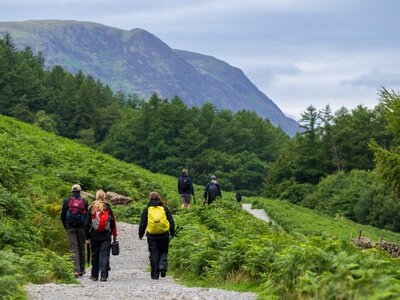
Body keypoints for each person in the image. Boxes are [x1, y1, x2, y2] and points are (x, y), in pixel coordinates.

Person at [139, 192, 175, 280]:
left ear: (150, 199)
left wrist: (140, 234)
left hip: (152, 235)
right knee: (164, 251)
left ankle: (154, 275)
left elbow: (143, 223)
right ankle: (162, 265)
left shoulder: (147, 209)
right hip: (164, 234)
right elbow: (171, 221)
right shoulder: (164, 208)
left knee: (153, 253)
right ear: (159, 198)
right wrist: (172, 232)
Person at [85, 189, 118, 282]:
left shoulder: (91, 208)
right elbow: (112, 223)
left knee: (95, 255)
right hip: (106, 235)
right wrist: (113, 234)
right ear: (104, 197)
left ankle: (94, 275)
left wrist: (87, 237)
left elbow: (86, 224)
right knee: (105, 255)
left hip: (94, 235)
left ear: (96, 196)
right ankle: (104, 276)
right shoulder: (108, 207)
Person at [61, 184, 89, 278]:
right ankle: (82, 269)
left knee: (73, 247)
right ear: (80, 192)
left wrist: (66, 227)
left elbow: (63, 216)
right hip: (81, 228)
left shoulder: (67, 201)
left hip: (70, 227)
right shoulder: (84, 202)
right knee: (81, 247)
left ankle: (75, 271)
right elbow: (87, 217)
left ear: (72, 191)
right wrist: (85, 229)